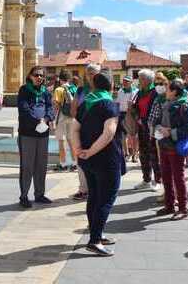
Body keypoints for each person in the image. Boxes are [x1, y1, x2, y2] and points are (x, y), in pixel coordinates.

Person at [71, 69, 126, 257]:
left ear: (94, 85)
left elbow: (74, 129)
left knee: (94, 196)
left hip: (88, 159)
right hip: (106, 159)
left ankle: (97, 233)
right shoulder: (110, 105)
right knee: (106, 199)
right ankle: (94, 240)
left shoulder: (86, 102)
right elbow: (109, 133)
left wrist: (80, 151)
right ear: (111, 86)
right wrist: (91, 150)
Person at [154, 79, 188, 219]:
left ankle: (183, 209)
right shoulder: (165, 104)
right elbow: (157, 121)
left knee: (178, 177)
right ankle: (169, 206)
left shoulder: (184, 106)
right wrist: (159, 128)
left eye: (168, 89)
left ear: (174, 92)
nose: (165, 91)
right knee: (165, 176)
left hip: (175, 147)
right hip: (164, 145)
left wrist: (171, 132)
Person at [17, 66, 55, 208]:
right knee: (27, 166)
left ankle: (39, 194)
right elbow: (24, 109)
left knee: (41, 166)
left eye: (41, 76)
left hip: (43, 133)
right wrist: (37, 121)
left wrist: (46, 119)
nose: (39, 77)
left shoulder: (46, 92)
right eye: (36, 75)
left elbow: (50, 109)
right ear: (30, 76)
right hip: (27, 134)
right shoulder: (24, 90)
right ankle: (24, 196)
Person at [70, 64, 101, 201]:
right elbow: (73, 109)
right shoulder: (81, 90)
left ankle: (97, 189)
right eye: (88, 73)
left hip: (98, 132)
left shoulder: (102, 89)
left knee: (97, 160)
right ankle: (83, 189)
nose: (91, 75)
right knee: (81, 159)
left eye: (93, 73)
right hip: (82, 130)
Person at [132, 69, 162, 191]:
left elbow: (159, 110)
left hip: (154, 127)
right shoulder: (139, 92)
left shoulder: (156, 92)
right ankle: (146, 179)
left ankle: (158, 180)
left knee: (154, 154)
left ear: (148, 80)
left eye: (141, 79)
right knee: (143, 153)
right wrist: (137, 116)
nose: (139, 81)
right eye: (139, 79)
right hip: (142, 126)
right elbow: (136, 108)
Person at [53, 70, 76, 172]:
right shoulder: (74, 88)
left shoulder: (58, 89)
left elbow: (57, 106)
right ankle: (75, 163)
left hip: (62, 117)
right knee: (71, 140)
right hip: (72, 117)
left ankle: (63, 164)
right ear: (69, 78)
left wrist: (53, 119)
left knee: (61, 141)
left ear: (60, 79)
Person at [115, 76, 138, 161]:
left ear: (131, 82)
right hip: (121, 113)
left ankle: (135, 154)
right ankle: (126, 153)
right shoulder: (120, 91)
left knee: (133, 135)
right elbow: (117, 102)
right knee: (123, 135)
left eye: (127, 81)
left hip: (131, 114)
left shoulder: (135, 91)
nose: (125, 83)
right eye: (124, 81)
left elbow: (133, 104)